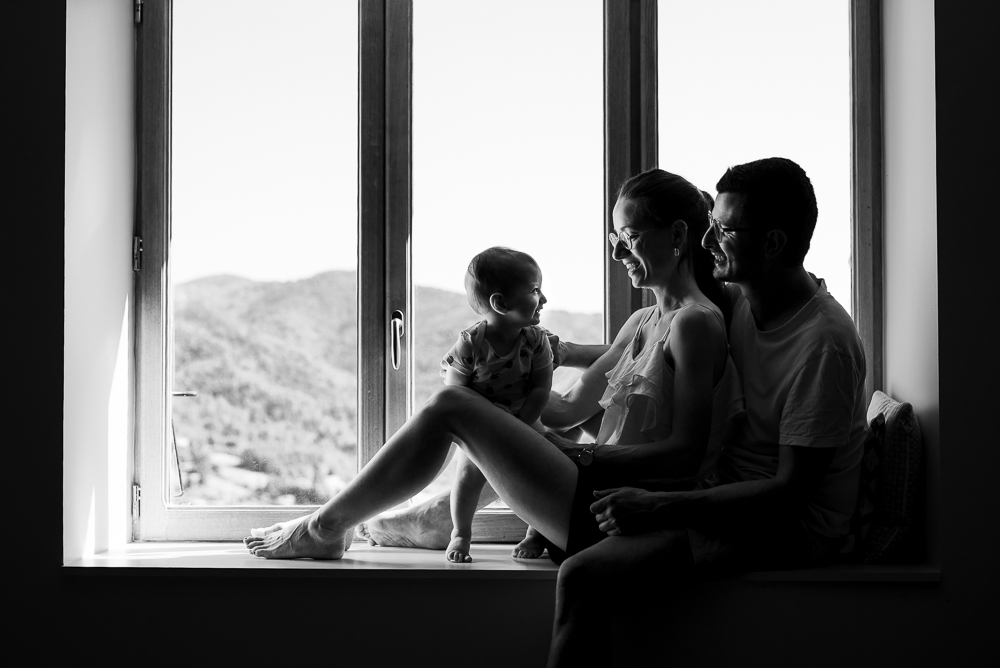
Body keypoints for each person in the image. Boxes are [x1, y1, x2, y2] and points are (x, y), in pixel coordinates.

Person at [242, 169, 740, 572]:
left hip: (619, 514)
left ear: (677, 235)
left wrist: (578, 457)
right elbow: (565, 409)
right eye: (615, 237)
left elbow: (687, 454)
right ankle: (357, 525)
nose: (615, 253)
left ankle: (324, 529)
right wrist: (508, 369)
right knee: (460, 406)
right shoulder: (643, 320)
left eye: (629, 237)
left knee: (450, 405)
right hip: (589, 492)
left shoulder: (696, 323)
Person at [546, 158, 868, 667]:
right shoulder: (743, 301)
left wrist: (659, 506)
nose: (707, 239)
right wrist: (559, 353)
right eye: (710, 223)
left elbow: (790, 494)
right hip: (725, 487)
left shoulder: (824, 344)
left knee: (583, 575)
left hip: (788, 526)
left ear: (774, 243)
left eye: (723, 229)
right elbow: (649, 341)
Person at [440, 247, 554, 563]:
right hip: (481, 426)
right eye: (534, 290)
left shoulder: (536, 338)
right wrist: (481, 428)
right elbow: (455, 395)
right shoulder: (471, 343)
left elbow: (541, 387)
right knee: (466, 478)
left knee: (537, 476)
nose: (543, 298)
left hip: (525, 418)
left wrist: (522, 422)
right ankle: (460, 533)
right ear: (501, 303)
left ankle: (535, 532)